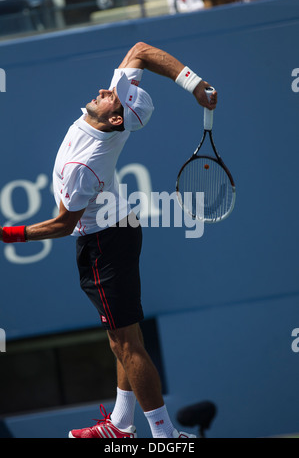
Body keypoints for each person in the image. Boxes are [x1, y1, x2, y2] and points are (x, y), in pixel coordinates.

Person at [0, 42, 217, 439]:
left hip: (103, 244)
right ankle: (120, 424)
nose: (106, 90)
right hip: (118, 231)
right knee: (122, 339)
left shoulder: (85, 165)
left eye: (112, 96)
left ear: (116, 119)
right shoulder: (117, 109)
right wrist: (194, 84)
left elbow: (63, 226)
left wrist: (10, 234)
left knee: (128, 345)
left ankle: (164, 436)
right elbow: (141, 51)